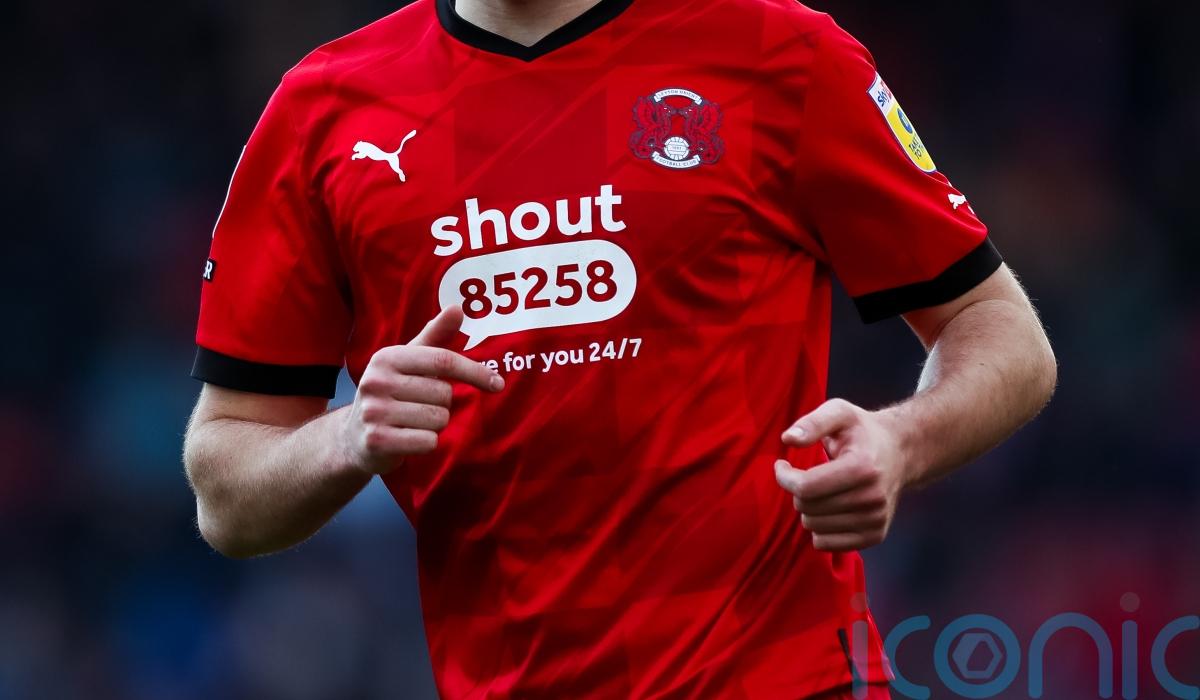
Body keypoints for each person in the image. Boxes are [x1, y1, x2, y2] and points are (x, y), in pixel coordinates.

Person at [183, 0, 1057, 697]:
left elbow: (1002, 331)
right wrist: (346, 437)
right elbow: (226, 493)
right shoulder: (324, 108)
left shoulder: (778, 52)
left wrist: (900, 442)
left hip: (785, 677)